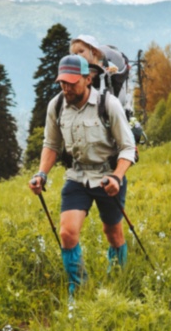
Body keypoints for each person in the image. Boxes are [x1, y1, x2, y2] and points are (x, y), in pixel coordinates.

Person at [28, 53, 137, 302]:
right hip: (76, 177)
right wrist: (41, 174)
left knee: (113, 233)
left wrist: (117, 178)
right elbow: (51, 145)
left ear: (88, 79)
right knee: (67, 233)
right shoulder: (56, 106)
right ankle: (78, 290)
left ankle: (118, 279)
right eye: (62, 83)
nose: (66, 88)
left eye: (72, 82)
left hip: (108, 177)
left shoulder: (108, 105)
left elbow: (128, 148)